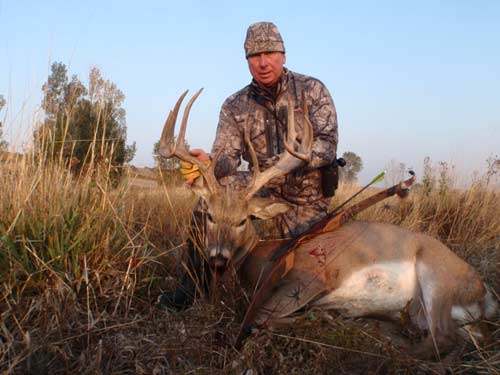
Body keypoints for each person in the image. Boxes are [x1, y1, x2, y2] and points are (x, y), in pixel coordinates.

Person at [158, 21, 338, 310]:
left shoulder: (312, 90)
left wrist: (295, 159)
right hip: (259, 193)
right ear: (247, 60)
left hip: (306, 199)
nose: (263, 62)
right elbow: (226, 158)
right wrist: (209, 164)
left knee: (308, 270)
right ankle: (192, 288)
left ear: (283, 55)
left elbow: (328, 144)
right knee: (208, 205)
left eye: (269, 53)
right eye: (254, 56)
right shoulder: (235, 105)